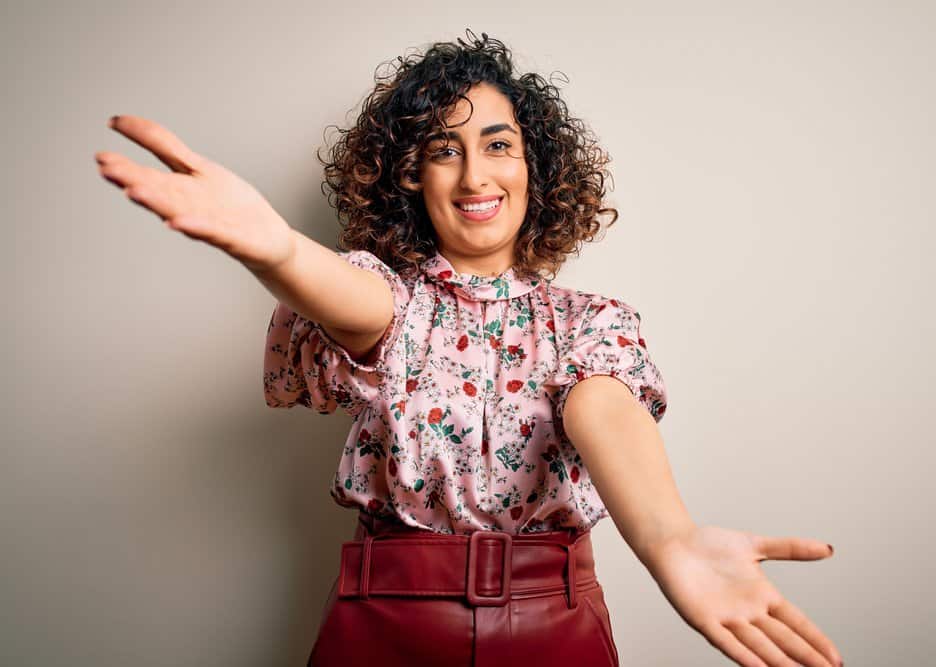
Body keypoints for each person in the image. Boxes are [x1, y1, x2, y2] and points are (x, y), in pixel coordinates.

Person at [95, 29, 843, 667]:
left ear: (534, 167)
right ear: (411, 176)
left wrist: (670, 537)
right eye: (443, 150)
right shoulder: (390, 298)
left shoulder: (590, 323)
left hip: (556, 621)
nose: (475, 175)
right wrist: (279, 253)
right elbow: (363, 308)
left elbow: (603, 407)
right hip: (386, 619)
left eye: (498, 144)